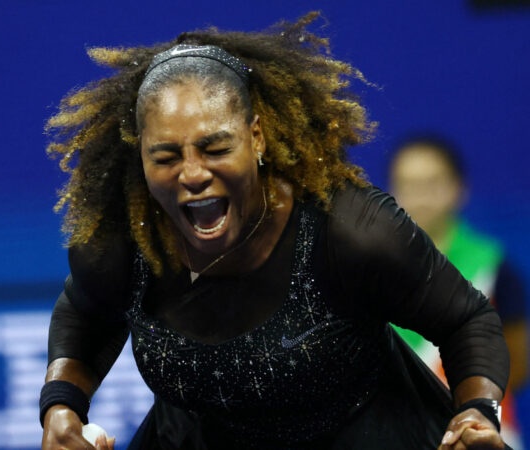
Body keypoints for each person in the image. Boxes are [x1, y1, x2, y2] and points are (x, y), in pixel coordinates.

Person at [39, 12, 511, 449]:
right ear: (140, 154)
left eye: (215, 147)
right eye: (165, 156)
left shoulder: (352, 232)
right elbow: (83, 317)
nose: (192, 173)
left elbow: (467, 321)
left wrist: (475, 413)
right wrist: (61, 407)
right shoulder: (122, 242)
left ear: (256, 137)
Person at [388, 134, 528, 449]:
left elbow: (517, 364)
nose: (420, 196)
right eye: (408, 185)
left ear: (459, 188)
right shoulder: (371, 269)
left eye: (432, 183)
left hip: (481, 434)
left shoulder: (494, 266)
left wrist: (471, 405)